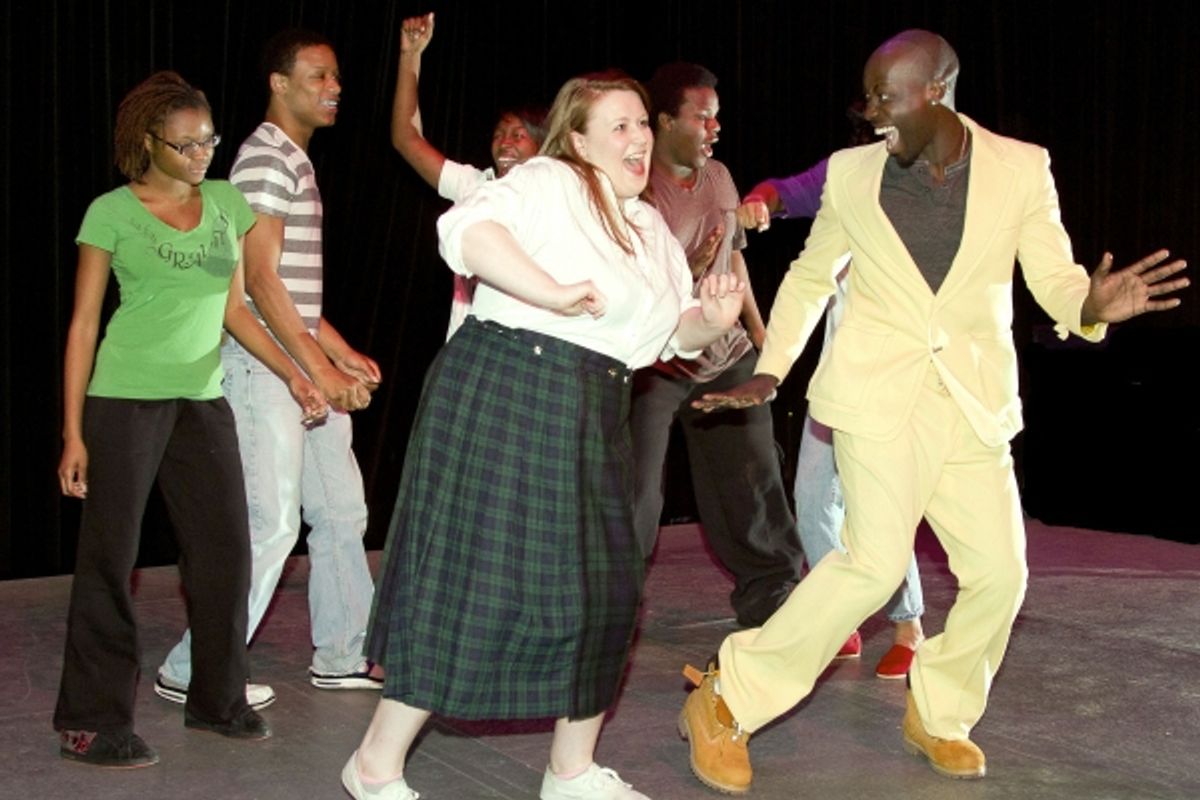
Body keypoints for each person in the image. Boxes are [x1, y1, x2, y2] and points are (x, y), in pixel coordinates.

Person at [678, 29, 1188, 794]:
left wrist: (1091, 302)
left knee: (1000, 574)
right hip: (877, 396)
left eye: (888, 96)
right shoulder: (854, 175)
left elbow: (1054, 280)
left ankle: (940, 711)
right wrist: (772, 368)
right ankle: (728, 700)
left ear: (937, 92)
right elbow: (813, 275)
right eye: (870, 95)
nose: (872, 111)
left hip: (970, 402)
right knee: (871, 565)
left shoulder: (1022, 168)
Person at [342, 71, 746, 800]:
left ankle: (571, 771)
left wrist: (709, 323)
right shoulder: (546, 181)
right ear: (580, 138)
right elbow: (465, 231)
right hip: (508, 386)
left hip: (595, 406)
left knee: (607, 589)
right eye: (617, 126)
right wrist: (550, 290)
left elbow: (664, 334)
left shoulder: (649, 226)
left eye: (642, 125)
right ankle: (374, 765)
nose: (638, 138)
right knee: (475, 583)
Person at [54, 71, 326, 766]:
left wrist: (297, 374)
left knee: (227, 553)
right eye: (187, 144)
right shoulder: (111, 212)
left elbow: (236, 308)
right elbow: (85, 325)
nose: (203, 152)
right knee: (109, 563)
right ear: (149, 142)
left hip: (201, 400)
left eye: (209, 139)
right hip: (123, 399)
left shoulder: (227, 204)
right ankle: (91, 719)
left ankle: (217, 700)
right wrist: (73, 431)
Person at [156, 29, 383, 709]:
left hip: (298, 365)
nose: (333, 87)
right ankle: (196, 669)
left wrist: (336, 350)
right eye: (317, 76)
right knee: (270, 522)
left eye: (336, 76)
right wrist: (314, 368)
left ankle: (344, 652)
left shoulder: (294, 162)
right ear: (278, 85)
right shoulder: (263, 161)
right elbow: (256, 280)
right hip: (264, 370)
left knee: (342, 510)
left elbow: (290, 285)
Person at [736, 120, 925, 678]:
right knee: (814, 497)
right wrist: (759, 201)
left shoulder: (938, 185)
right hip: (839, 374)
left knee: (878, 504)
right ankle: (838, 616)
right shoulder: (849, 171)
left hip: (899, 377)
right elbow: (787, 192)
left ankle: (908, 623)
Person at [631, 62, 804, 628]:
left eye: (716, 116)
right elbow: (633, 287)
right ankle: (610, 611)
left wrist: (761, 337)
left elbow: (734, 260)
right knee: (637, 504)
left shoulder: (721, 178)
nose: (713, 127)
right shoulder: (635, 190)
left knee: (754, 484)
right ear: (664, 121)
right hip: (657, 366)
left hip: (725, 358)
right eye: (702, 117)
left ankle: (773, 602)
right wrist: (687, 270)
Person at [392, 11, 548, 338]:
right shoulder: (476, 186)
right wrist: (411, 57)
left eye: (518, 135)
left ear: (542, 145)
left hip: (527, 354)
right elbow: (406, 139)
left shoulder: (555, 200)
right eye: (499, 133)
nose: (505, 142)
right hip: (468, 350)